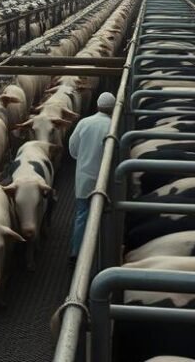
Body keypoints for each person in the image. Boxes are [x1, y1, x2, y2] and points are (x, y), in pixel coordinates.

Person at [67, 91, 116, 263]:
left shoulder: (84, 122)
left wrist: (83, 158)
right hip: (105, 177)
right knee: (103, 214)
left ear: (97, 105)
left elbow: (72, 149)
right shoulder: (113, 126)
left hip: (84, 177)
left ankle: (76, 253)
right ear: (113, 109)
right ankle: (101, 257)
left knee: (82, 214)